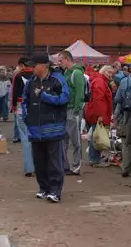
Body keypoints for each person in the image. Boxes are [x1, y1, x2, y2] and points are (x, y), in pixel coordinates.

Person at [22, 55, 69, 203]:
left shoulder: (58, 79)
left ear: (44, 66)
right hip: (35, 129)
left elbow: (64, 99)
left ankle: (55, 191)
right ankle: (44, 188)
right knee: (39, 162)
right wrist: (26, 117)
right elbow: (24, 101)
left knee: (54, 162)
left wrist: (45, 96)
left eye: (34, 65)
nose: (32, 68)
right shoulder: (31, 82)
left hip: (54, 128)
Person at [58, 51, 85, 176]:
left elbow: (80, 93)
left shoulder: (76, 73)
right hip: (65, 109)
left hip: (73, 110)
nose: (59, 63)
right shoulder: (66, 73)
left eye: (60, 60)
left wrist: (76, 109)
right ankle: (65, 165)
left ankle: (76, 166)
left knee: (75, 140)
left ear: (67, 59)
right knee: (63, 139)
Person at [84, 65, 114, 167]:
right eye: (109, 72)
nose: (111, 75)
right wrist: (101, 115)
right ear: (104, 71)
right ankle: (94, 159)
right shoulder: (100, 82)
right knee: (96, 135)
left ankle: (94, 158)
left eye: (112, 73)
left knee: (95, 134)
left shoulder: (100, 81)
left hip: (96, 112)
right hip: (98, 113)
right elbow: (99, 99)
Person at [11, 57, 35, 177]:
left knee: (25, 139)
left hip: (21, 108)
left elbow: (14, 94)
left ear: (21, 65)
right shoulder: (37, 75)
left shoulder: (18, 75)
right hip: (36, 108)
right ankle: (39, 166)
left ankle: (29, 168)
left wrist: (14, 107)